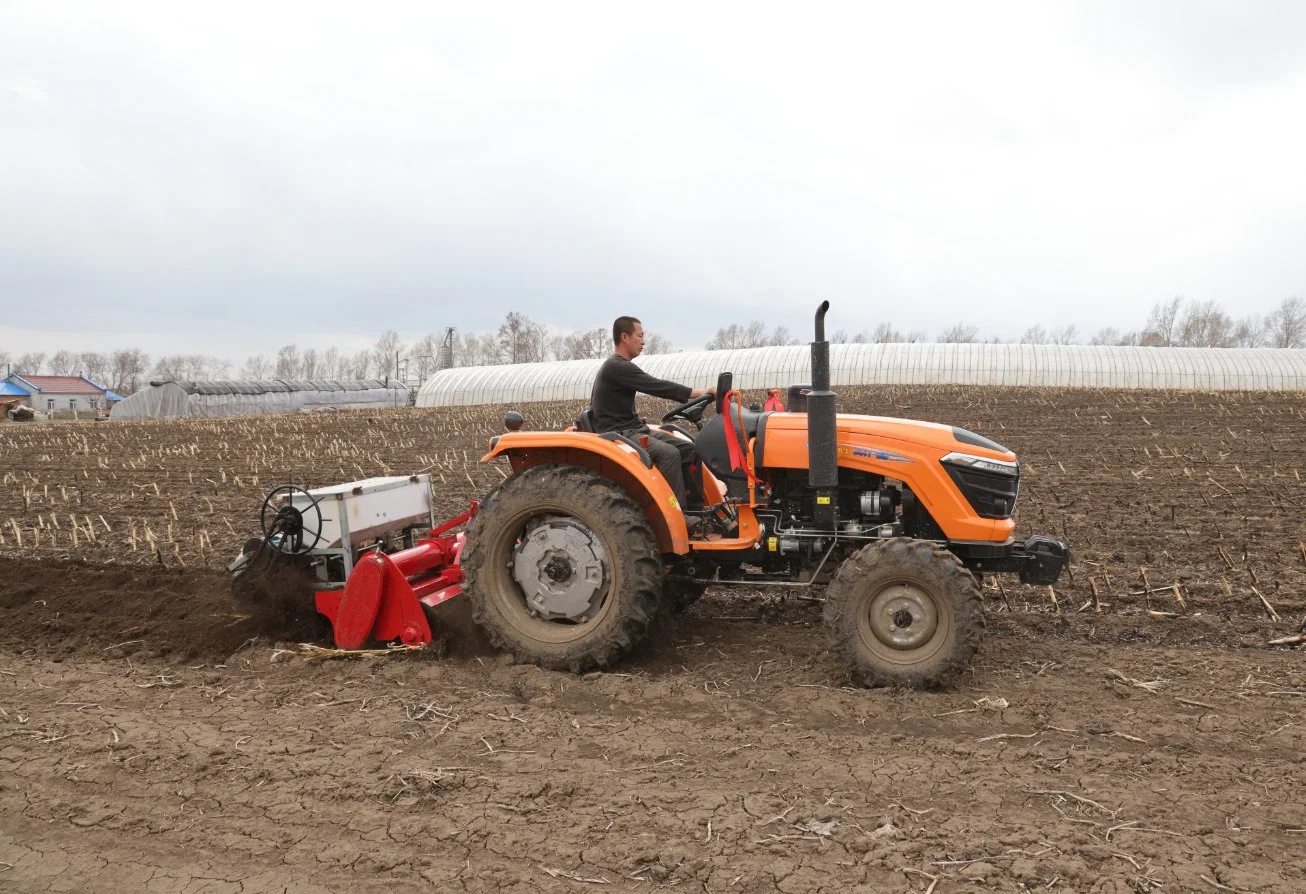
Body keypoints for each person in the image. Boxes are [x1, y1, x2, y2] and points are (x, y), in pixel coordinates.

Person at [591, 316, 713, 509]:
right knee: (669, 454)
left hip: (634, 429)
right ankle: (677, 516)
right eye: (639, 335)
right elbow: (657, 386)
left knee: (691, 451)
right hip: (621, 434)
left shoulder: (618, 367)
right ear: (625, 337)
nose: (643, 341)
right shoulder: (617, 367)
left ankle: (698, 511)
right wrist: (700, 393)